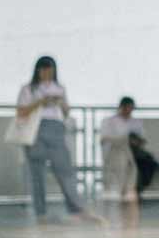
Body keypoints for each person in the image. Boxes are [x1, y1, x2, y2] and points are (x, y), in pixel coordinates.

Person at [15, 56, 100, 223]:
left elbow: (66, 112)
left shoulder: (59, 88)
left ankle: (76, 208)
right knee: (36, 173)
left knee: (65, 170)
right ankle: (40, 213)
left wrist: (60, 102)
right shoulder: (28, 89)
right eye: (43, 69)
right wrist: (40, 102)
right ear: (38, 70)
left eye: (50, 69)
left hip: (55, 128)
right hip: (35, 130)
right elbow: (21, 112)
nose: (46, 73)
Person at [98, 96, 144, 202]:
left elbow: (141, 139)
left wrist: (134, 141)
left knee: (146, 163)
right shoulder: (109, 121)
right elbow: (103, 139)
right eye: (127, 108)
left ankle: (133, 190)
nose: (129, 111)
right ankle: (122, 191)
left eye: (131, 108)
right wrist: (123, 140)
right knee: (122, 160)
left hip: (133, 151)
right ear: (121, 107)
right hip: (115, 151)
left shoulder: (136, 122)